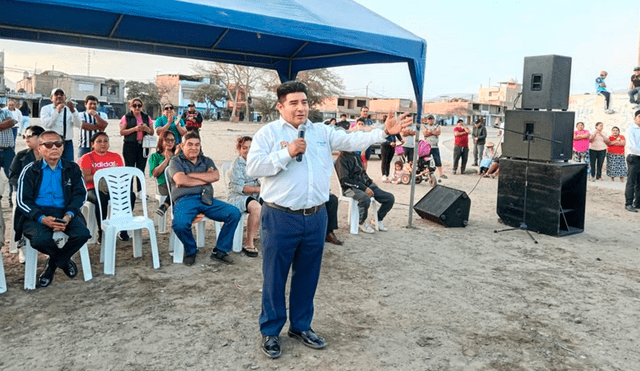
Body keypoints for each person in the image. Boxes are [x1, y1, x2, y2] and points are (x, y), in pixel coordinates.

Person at [246, 81, 411, 359]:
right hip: (280, 216)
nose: (301, 108)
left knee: (308, 275)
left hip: (315, 217)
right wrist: (287, 152)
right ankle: (271, 331)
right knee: (275, 276)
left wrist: (383, 132)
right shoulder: (268, 134)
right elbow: (254, 167)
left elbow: (352, 140)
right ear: (280, 106)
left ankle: (300, 326)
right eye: (294, 103)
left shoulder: (321, 132)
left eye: (304, 102)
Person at [14, 130, 90, 288]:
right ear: (39, 148)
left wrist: (69, 215)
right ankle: (62, 260)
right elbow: (22, 200)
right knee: (40, 240)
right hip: (37, 213)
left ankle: (51, 266)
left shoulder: (72, 168)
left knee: (82, 234)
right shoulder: (30, 170)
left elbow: (80, 195)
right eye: (48, 145)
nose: (53, 147)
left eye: (58, 144)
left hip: (65, 211)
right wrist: (42, 218)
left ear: (63, 147)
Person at [167, 131, 241, 266]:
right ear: (182, 145)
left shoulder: (206, 161)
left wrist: (190, 175)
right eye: (190, 144)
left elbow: (215, 177)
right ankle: (191, 250)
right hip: (185, 200)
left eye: (197, 145)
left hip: (206, 199)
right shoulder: (175, 161)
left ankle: (220, 250)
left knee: (234, 213)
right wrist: (204, 178)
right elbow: (180, 180)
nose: (194, 148)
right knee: (180, 224)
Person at [79, 132, 132, 242]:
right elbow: (86, 178)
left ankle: (123, 229)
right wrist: (103, 175)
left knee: (130, 195)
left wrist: (105, 176)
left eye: (105, 141)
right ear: (92, 144)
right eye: (99, 141)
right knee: (100, 198)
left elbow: (121, 175)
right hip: (92, 188)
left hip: (113, 187)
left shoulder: (115, 157)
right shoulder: (86, 158)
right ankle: (102, 230)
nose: (103, 144)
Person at [8, 125, 44, 263]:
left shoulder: (51, 154)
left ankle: (52, 242)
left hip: (45, 193)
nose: (26, 138)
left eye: (30, 135)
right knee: (21, 207)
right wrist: (27, 187)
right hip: (24, 193)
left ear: (40, 137)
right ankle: (22, 246)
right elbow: (12, 176)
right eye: (24, 136)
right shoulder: (21, 155)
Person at [336, 150, 395, 233]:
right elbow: (344, 180)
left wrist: (371, 182)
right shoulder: (341, 159)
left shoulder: (356, 156)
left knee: (389, 198)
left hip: (363, 186)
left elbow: (362, 173)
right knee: (365, 198)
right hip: (348, 190)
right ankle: (361, 221)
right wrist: (364, 188)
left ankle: (377, 219)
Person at [227, 136, 261, 257]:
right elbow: (242, 189)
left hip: (255, 195)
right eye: (244, 148)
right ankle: (249, 242)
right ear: (239, 149)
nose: (247, 150)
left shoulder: (257, 161)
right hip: (238, 197)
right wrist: (261, 189)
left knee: (275, 204)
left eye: (250, 147)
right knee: (256, 207)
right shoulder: (237, 164)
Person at [119, 98, 154, 192]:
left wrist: (146, 129)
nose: (137, 107)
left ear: (142, 107)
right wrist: (134, 129)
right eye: (135, 105)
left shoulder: (146, 117)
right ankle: (128, 191)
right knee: (129, 169)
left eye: (139, 105)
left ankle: (140, 191)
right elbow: (122, 132)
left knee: (141, 169)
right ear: (130, 107)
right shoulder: (126, 117)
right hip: (129, 145)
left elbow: (152, 132)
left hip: (143, 146)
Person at [40, 88, 82, 162]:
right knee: (52, 162)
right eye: (56, 95)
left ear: (65, 98)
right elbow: (46, 124)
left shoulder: (71, 109)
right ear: (51, 98)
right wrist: (57, 112)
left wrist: (73, 111)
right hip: (51, 143)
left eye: (61, 95)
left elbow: (78, 125)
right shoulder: (46, 109)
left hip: (67, 142)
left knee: (68, 164)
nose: (59, 96)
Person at [149, 130, 178, 217]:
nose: (170, 142)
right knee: (179, 189)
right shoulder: (155, 156)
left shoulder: (178, 154)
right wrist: (166, 160)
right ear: (161, 141)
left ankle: (165, 205)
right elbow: (154, 173)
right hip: (163, 185)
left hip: (177, 183)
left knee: (180, 187)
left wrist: (175, 156)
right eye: (167, 140)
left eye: (172, 140)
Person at [0, 109, 17, 206]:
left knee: (12, 176)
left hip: (8, 151)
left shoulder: (6, 112)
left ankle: (12, 199)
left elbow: (12, 122)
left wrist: (7, 123)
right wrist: (4, 124)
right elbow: (8, 123)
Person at [422, 115, 446, 179]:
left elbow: (438, 132)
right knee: (426, 160)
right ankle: (426, 172)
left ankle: (441, 173)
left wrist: (430, 132)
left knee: (437, 159)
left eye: (431, 119)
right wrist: (433, 132)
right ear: (427, 120)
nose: (430, 120)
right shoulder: (425, 126)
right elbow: (425, 134)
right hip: (427, 146)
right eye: (429, 119)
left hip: (435, 146)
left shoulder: (437, 126)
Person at [625, 110, 640, 212]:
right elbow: (631, 145)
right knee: (631, 181)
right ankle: (629, 203)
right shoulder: (631, 129)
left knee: (639, 182)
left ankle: (638, 203)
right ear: (635, 118)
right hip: (634, 157)